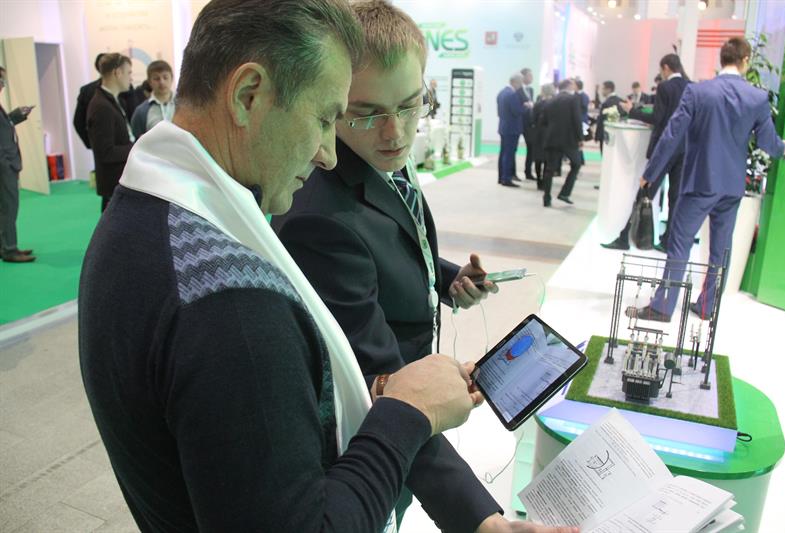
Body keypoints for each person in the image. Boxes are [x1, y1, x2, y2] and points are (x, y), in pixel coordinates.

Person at [81, 2, 580, 532]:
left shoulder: (141, 217)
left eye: (410, 106)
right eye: (326, 119)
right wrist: (409, 411)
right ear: (248, 95)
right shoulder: (232, 305)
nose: (328, 153)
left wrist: (391, 390)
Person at [272, 3, 553, 531]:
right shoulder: (321, 219)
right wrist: (483, 521)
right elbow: (391, 396)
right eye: (367, 112)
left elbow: (388, 245)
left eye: (410, 105)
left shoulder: (380, 161)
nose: (395, 132)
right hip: (366, 452)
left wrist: (446, 278)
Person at [627, 37, 785, 323]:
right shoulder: (757, 98)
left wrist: (650, 174)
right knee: (721, 249)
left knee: (679, 243)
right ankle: (707, 307)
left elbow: (671, 134)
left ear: (721, 59)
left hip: (700, 181)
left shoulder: (698, 92)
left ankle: (663, 307)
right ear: (745, 60)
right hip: (732, 187)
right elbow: (768, 142)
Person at [603, 53, 690, 251]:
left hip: (664, 149)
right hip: (683, 150)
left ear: (666, 67)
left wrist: (632, 111)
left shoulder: (665, 87)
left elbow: (658, 118)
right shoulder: (690, 86)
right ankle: (668, 241)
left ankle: (625, 237)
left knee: (645, 191)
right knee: (675, 197)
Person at [86, 53, 135, 212]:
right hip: (113, 184)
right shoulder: (102, 106)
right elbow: (106, 152)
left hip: (119, 181)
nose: (131, 78)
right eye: (128, 73)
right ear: (117, 73)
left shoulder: (112, 101)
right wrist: (136, 147)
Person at [0, 66, 36, 263]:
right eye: (1, 81)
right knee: (9, 207)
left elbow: (4, 127)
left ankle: (5, 246)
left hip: (6, 164)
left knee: (5, 207)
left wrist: (16, 115)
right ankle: (10, 249)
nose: (3, 85)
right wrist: (5, 164)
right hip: (4, 166)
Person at [540, 79, 583, 207]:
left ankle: (546, 197)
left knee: (549, 169)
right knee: (576, 164)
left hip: (552, 139)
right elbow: (577, 120)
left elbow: (543, 121)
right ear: (569, 87)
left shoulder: (550, 101)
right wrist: (580, 138)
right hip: (569, 139)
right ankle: (565, 193)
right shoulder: (573, 100)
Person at [497, 73, 531, 187]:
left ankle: (501, 177)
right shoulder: (512, 95)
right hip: (512, 128)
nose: (521, 86)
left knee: (503, 153)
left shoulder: (501, 93)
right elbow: (517, 111)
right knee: (509, 154)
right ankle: (506, 178)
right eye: (520, 83)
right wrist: (527, 107)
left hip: (503, 126)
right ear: (515, 82)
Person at [131, 60, 175, 138]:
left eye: (165, 77)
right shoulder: (141, 111)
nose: (162, 82)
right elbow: (137, 140)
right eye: (156, 79)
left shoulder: (184, 106)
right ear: (149, 82)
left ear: (172, 78)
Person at [73, 53, 106, 149]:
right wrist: (91, 143)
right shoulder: (87, 91)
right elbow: (78, 121)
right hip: (102, 147)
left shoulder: (125, 89)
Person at [529, 83, 556, 189]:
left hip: (538, 133)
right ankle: (545, 180)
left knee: (538, 158)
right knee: (547, 159)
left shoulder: (538, 104)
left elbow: (532, 119)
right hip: (549, 134)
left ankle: (538, 180)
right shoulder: (554, 104)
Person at [594, 80, 623, 153]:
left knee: (605, 155)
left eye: (603, 89)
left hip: (605, 135)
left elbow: (601, 121)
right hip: (618, 134)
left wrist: (597, 136)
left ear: (608, 89)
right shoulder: (621, 101)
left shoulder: (606, 103)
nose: (602, 91)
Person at [520, 67, 537, 181]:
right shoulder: (517, 90)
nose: (532, 78)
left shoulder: (530, 90)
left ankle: (528, 171)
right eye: (530, 76)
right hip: (520, 122)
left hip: (529, 124)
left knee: (531, 148)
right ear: (523, 77)